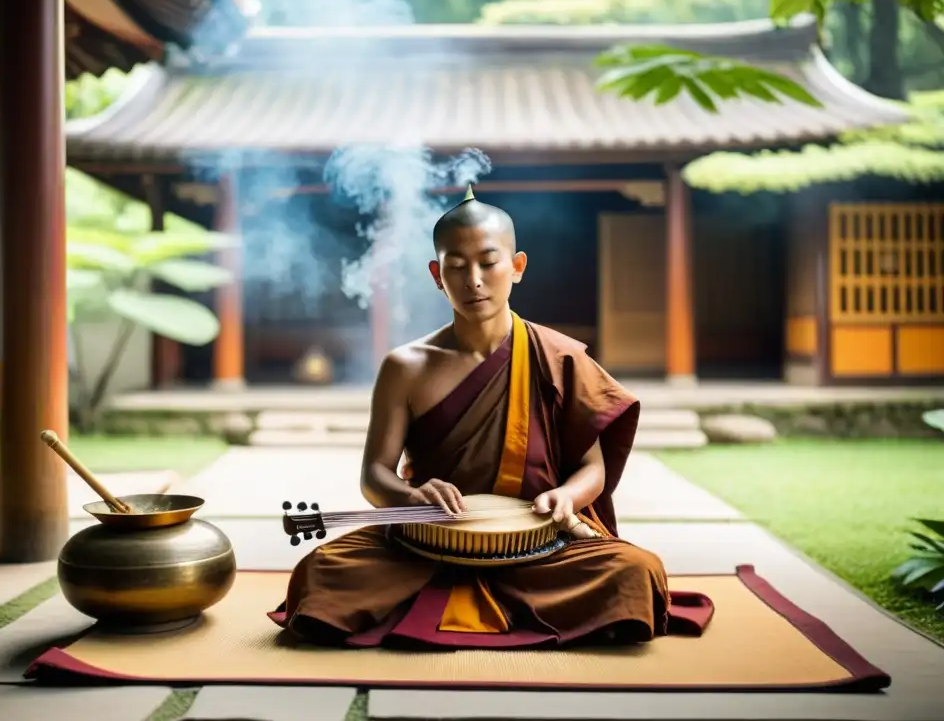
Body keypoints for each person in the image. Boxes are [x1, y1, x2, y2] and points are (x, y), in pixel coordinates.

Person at [268, 186, 711, 649]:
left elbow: (593, 468)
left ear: (517, 267)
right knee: (319, 573)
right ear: (437, 275)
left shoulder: (557, 357)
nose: (473, 279)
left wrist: (566, 497)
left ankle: (451, 608)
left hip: (538, 549)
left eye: (488, 261)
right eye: (456, 266)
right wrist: (412, 493)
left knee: (637, 573)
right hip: (425, 546)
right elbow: (375, 475)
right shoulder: (406, 367)